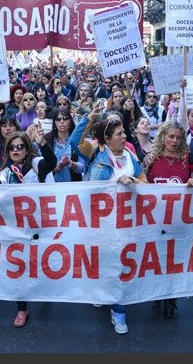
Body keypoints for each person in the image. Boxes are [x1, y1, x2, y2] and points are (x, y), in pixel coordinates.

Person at [71, 102, 148, 335]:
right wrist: (89, 117)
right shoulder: (95, 151)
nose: (125, 135)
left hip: (124, 222)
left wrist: (133, 181)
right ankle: (101, 292)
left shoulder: (131, 158)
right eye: (120, 133)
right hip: (98, 220)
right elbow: (75, 142)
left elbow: (145, 182)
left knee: (119, 264)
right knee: (100, 260)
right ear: (107, 137)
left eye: (124, 132)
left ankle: (118, 310)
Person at [0, 129, 57, 328]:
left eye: (20, 146)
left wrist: (43, 142)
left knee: (40, 260)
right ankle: (22, 309)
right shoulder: (4, 172)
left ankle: (44, 290)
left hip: (39, 224)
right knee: (18, 267)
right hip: (15, 226)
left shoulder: (36, 164)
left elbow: (52, 163)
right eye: (12, 147)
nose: (15, 150)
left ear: (26, 148)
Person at [142, 121, 193, 318]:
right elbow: (141, 182)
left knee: (174, 257)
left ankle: (171, 296)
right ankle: (156, 290)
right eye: (171, 137)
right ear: (163, 137)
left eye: (178, 137)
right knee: (156, 257)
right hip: (155, 218)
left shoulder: (189, 158)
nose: (174, 141)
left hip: (179, 218)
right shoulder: (151, 159)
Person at [45, 107, 85, 182]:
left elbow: (83, 167)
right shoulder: (46, 139)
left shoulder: (77, 140)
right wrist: (50, 168)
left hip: (73, 186)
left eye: (65, 118)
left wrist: (71, 163)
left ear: (70, 121)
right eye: (58, 119)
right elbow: (40, 164)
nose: (62, 121)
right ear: (54, 122)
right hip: (51, 186)